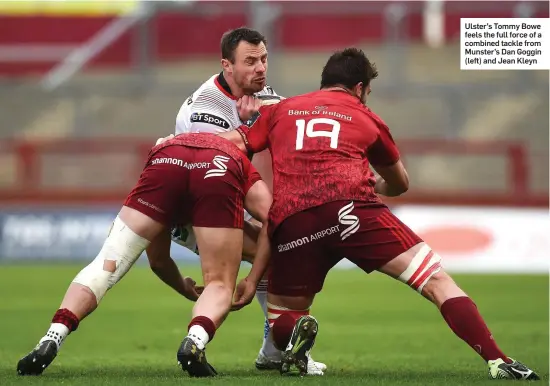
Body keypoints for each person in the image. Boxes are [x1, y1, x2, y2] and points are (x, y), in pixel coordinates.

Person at [223, 48, 541, 380]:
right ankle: (498, 360)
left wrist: (180, 143)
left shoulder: (282, 110)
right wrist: (376, 185)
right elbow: (400, 182)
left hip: (294, 220)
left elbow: (234, 142)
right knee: (436, 281)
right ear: (359, 88)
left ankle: (296, 333)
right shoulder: (366, 116)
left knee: (283, 313)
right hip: (352, 210)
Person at [16, 133, 272, 378]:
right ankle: (194, 341)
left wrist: (183, 286)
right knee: (218, 282)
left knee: (106, 263)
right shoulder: (238, 160)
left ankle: (52, 336)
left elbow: (158, 260)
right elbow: (272, 215)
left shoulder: (174, 145)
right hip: (218, 166)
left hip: (166, 158)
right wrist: (252, 278)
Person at [173, 26, 325, 374]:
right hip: (191, 210)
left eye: (264, 59)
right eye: (251, 61)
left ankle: (272, 350)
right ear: (227, 65)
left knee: (273, 255)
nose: (261, 68)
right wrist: (253, 122)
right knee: (227, 279)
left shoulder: (263, 93)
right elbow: (211, 171)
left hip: (226, 200)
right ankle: (251, 345)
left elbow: (292, 121)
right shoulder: (206, 109)